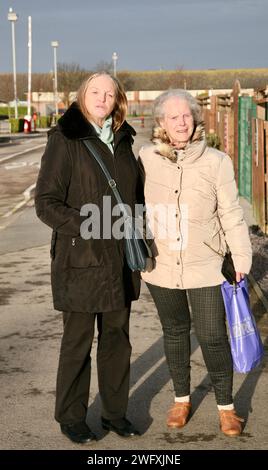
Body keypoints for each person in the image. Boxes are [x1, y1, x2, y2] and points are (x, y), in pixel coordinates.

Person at [35, 72, 142, 443]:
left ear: (118, 101)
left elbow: (136, 198)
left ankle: (115, 414)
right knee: (77, 342)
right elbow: (46, 204)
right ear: (82, 96)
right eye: (95, 92)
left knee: (117, 341)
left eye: (109, 94)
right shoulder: (65, 139)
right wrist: (90, 226)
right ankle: (71, 416)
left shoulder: (125, 141)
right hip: (81, 260)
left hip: (119, 261)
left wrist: (141, 236)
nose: (102, 98)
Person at [139, 89, 252, 437]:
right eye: (173, 117)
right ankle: (181, 399)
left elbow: (231, 213)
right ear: (161, 123)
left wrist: (241, 255)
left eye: (186, 115)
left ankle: (226, 407)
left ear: (195, 118)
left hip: (205, 263)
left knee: (212, 335)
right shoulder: (145, 157)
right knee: (174, 333)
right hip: (161, 264)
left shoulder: (217, 161)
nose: (181, 122)